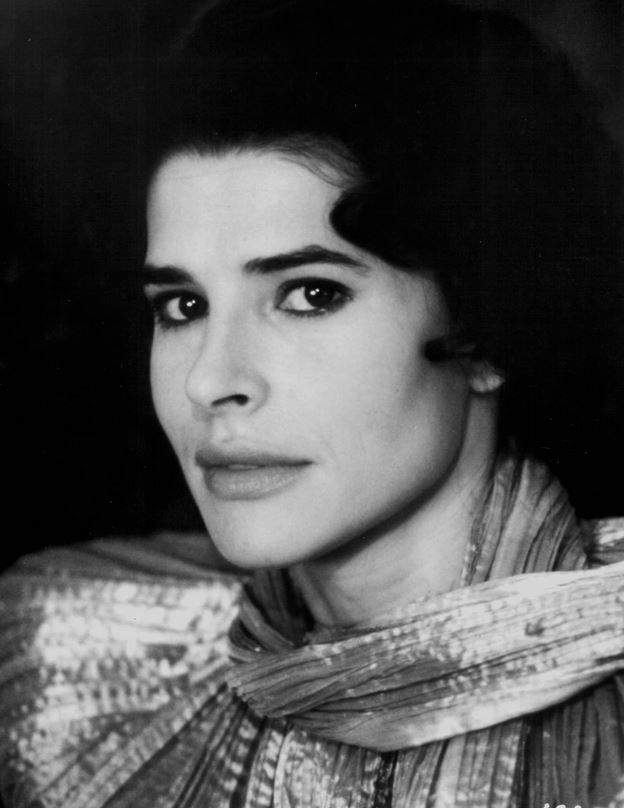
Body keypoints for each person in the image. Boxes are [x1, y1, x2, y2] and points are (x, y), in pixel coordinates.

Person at [1, 1, 623, 806]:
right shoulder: (67, 675)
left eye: (310, 294)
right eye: (183, 307)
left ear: (489, 327)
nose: (210, 380)